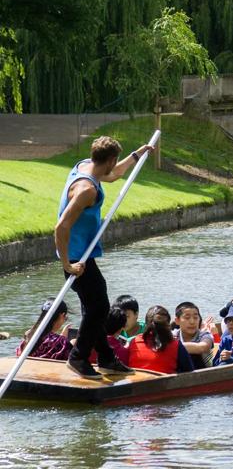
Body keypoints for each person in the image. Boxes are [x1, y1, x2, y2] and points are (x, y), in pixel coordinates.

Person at [55, 135, 152, 378]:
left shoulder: (85, 165)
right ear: (110, 159)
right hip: (77, 258)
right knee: (99, 307)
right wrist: (67, 263)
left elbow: (113, 174)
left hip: (82, 256)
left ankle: (107, 358)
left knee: (94, 307)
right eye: (115, 160)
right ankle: (78, 358)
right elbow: (61, 227)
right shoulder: (87, 189)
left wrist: (137, 155)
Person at [127, 306, 194, 374]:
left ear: (146, 324)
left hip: (135, 383)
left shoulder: (134, 341)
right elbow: (190, 372)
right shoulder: (176, 344)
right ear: (168, 325)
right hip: (165, 384)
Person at [174, 302, 214, 370]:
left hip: (204, 375)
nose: (192, 322)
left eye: (195, 318)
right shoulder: (174, 335)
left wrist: (172, 346)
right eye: (187, 318)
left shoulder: (205, 335)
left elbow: (203, 347)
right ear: (177, 320)